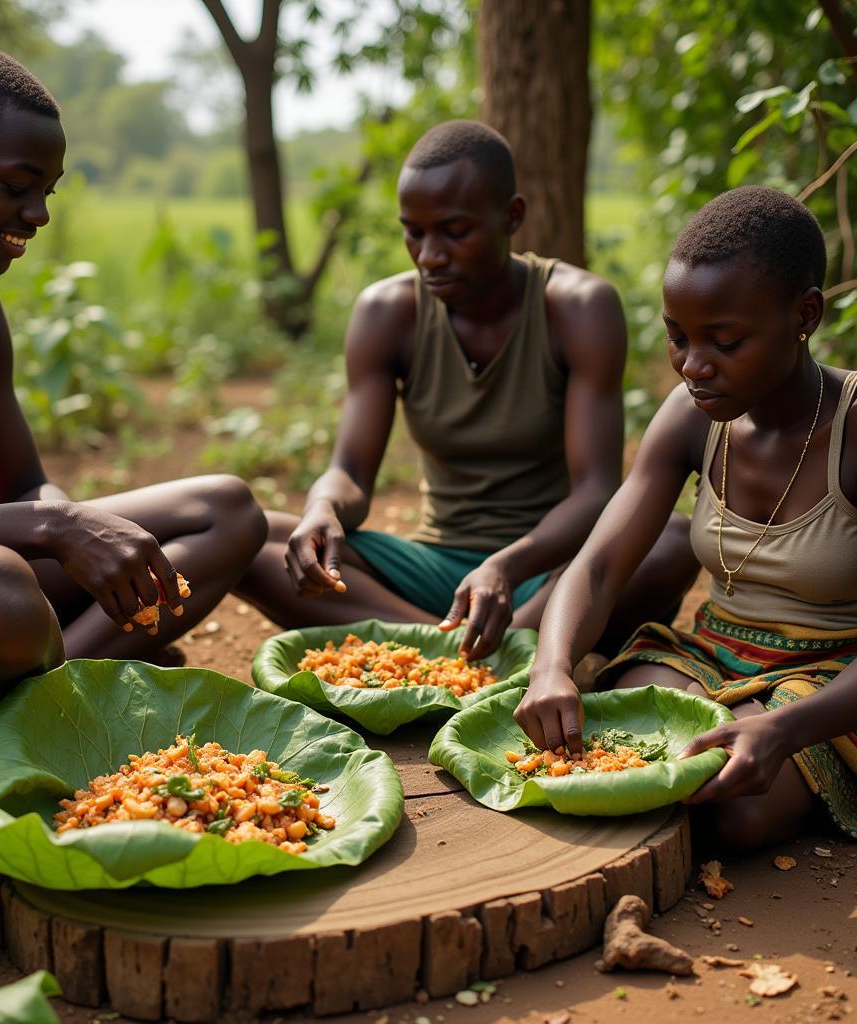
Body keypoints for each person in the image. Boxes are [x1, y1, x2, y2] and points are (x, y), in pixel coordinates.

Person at [0, 47, 267, 754]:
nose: (38, 213)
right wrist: (49, 528)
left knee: (224, 511)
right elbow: (28, 520)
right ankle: (65, 685)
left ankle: (50, 694)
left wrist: (67, 519)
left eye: (48, 189)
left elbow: (21, 485)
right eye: (18, 185)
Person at [237, 120, 696, 661]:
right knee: (250, 537)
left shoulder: (576, 308)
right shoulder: (388, 314)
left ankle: (458, 651)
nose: (430, 255)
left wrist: (507, 565)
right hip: (434, 572)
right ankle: (471, 655)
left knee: (670, 540)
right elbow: (353, 475)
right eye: (414, 232)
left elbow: (595, 490)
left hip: (548, 571)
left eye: (455, 232)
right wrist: (323, 509)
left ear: (512, 217)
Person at [515, 185, 857, 851]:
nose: (692, 366)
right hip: (711, 656)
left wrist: (782, 728)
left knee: (732, 810)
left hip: (840, 678)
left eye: (725, 340)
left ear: (805, 314)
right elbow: (598, 567)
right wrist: (552, 663)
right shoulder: (692, 415)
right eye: (677, 338)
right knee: (619, 748)